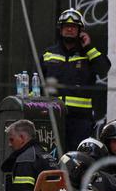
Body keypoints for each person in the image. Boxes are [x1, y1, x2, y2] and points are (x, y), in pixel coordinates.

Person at [41, 8, 112, 149]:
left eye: (73, 27)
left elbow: (104, 70)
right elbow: (36, 85)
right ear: (60, 30)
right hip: (52, 118)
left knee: (78, 161)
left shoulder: (88, 54)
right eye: (66, 27)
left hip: (80, 121)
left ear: (80, 31)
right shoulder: (48, 54)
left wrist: (89, 48)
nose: (69, 30)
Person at [0, 120, 52, 191]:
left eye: (11, 139)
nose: (9, 144)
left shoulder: (25, 161)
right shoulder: (44, 154)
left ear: (22, 138)